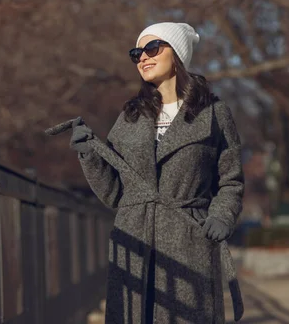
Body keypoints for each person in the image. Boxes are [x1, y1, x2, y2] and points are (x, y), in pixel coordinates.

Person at [70, 22, 244, 324]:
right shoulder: (130, 116)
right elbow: (114, 193)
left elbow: (231, 180)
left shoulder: (214, 113)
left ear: (176, 54)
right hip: (133, 240)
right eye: (137, 52)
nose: (143, 58)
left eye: (152, 48)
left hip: (189, 239)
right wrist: (89, 154)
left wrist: (222, 216)